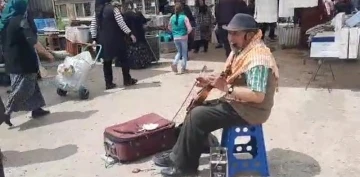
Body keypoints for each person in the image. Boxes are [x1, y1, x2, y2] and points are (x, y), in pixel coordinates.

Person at [155, 13, 279, 177]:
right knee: (197, 108)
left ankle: (185, 170)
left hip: (252, 110)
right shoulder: (242, 49)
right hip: (239, 102)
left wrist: (226, 88)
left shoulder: (257, 58)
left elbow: (257, 96)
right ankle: (181, 154)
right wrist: (210, 81)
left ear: (249, 35)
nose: (230, 37)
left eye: (235, 33)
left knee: (198, 116)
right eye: (229, 32)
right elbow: (230, 75)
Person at [0, 0, 53, 127]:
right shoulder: (20, 21)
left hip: (12, 59)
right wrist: (48, 54)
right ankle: (7, 112)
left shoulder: (4, 21)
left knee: (33, 87)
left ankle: (36, 109)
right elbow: (33, 41)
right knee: (22, 89)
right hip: (22, 61)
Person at [90, 0, 138, 90]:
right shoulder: (114, 9)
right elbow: (121, 24)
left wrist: (94, 39)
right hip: (116, 39)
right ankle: (127, 80)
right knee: (124, 59)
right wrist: (130, 33)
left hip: (103, 41)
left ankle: (109, 83)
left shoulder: (97, 12)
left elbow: (93, 26)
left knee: (107, 62)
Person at [168, 3, 193, 74]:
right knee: (184, 53)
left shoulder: (172, 17)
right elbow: (190, 28)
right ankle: (183, 68)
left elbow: (169, 27)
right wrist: (186, 33)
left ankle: (174, 63)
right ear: (182, 9)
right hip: (183, 37)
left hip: (175, 37)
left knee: (179, 52)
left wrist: (174, 32)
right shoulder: (184, 17)